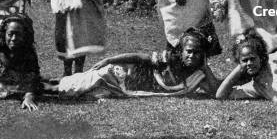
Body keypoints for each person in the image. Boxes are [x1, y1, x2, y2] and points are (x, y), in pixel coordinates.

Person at [44, 28, 219, 98]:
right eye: (189, 51)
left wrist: (204, 66)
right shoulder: (169, 60)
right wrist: (109, 59)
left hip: (120, 89)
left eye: (197, 53)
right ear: (181, 52)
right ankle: (29, 88)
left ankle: (32, 87)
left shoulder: (198, 74)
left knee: (80, 91)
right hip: (119, 74)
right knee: (72, 86)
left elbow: (215, 92)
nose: (192, 56)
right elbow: (138, 58)